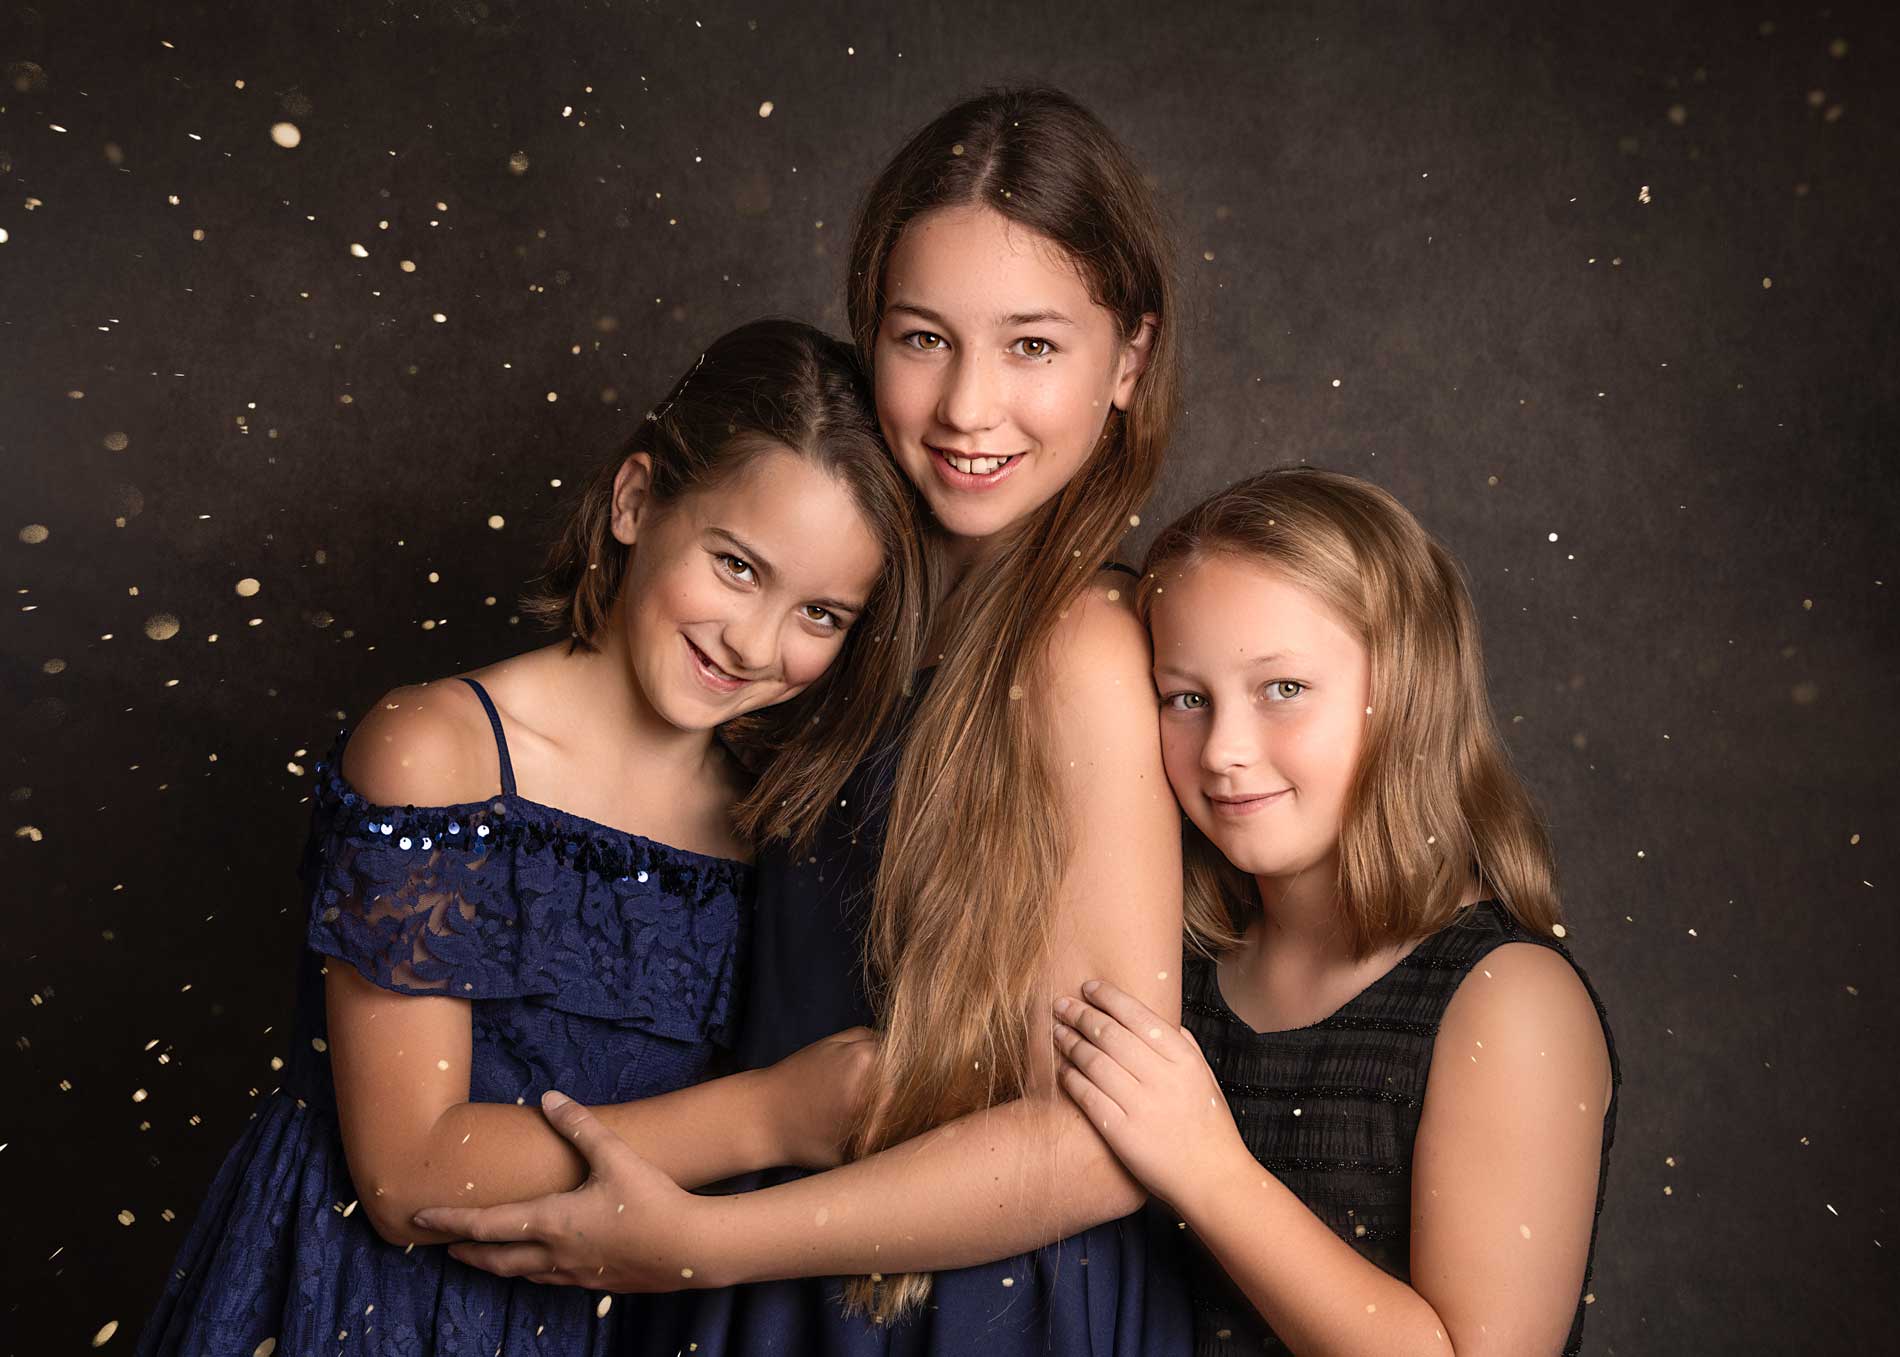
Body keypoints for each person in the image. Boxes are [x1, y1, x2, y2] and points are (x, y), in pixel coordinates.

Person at [418, 87, 1196, 1354]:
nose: (967, 408)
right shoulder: (848, 617)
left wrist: (705, 1242)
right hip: (804, 1261)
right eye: (923, 338)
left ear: (1129, 360)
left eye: (1035, 347)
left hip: (963, 1300)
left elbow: (1098, 1139)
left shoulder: (1075, 647)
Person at [134, 318, 928, 1356]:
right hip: (373, 1311)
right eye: (736, 566)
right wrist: (774, 1115)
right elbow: (410, 1175)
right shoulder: (434, 755)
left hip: (623, 1310)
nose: (755, 642)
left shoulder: (774, 820)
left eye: (820, 615)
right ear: (637, 500)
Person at [1053, 467, 1618, 1355]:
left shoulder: (1509, 1002)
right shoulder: (1175, 962)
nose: (1226, 752)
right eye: (1186, 699)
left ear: (1405, 691)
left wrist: (1209, 1169)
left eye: (1283, 689)